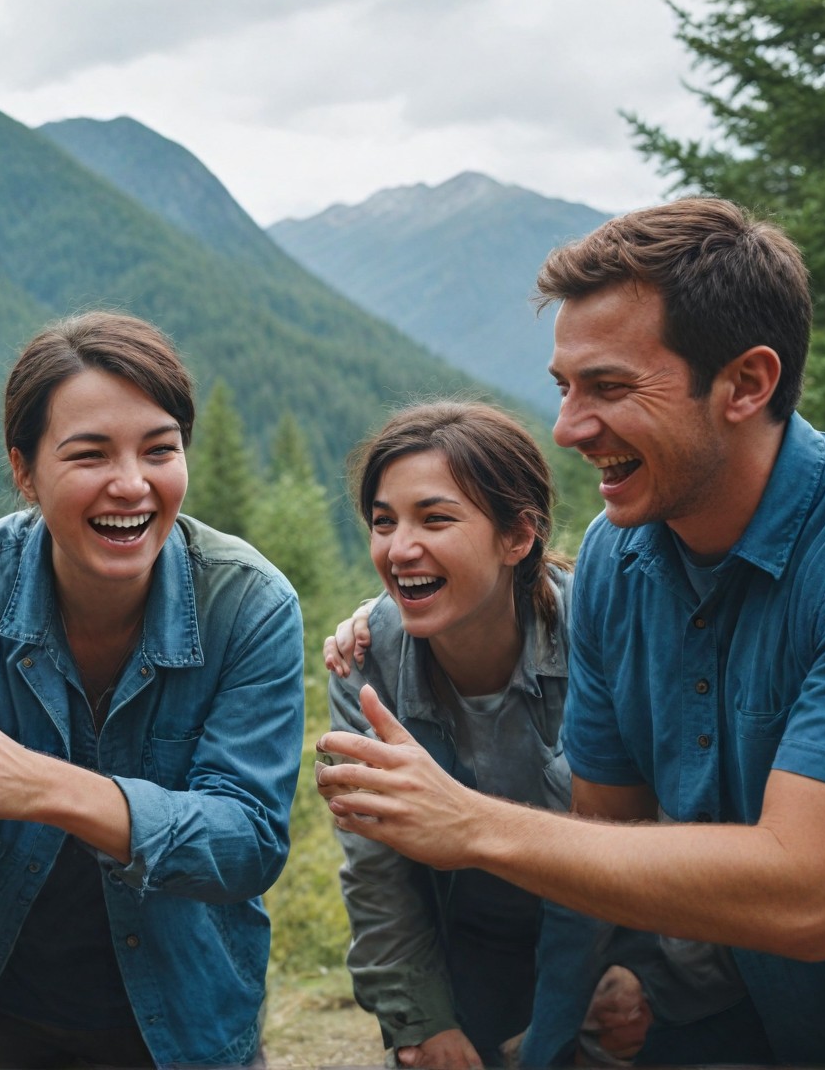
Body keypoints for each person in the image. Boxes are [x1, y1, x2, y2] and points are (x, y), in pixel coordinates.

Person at [316, 197, 825, 1063]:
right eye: (565, 387)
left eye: (610, 387)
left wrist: (471, 823)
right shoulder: (616, 558)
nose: (566, 429)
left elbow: (811, 896)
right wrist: (555, 1042)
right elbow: (604, 842)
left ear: (747, 384)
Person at [0, 312, 304, 1068]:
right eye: (90, 454)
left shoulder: (248, 604)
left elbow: (247, 843)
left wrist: (38, 784)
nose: (132, 484)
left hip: (186, 1020)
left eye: (160, 450)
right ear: (24, 470)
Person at [321, 402, 768, 1068]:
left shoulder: (611, 627)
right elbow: (377, 869)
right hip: (474, 944)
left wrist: (659, 978)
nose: (399, 548)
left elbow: (692, 814)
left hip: (625, 932)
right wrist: (420, 1020)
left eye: (436, 518)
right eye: (383, 522)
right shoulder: (366, 660)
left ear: (518, 537)